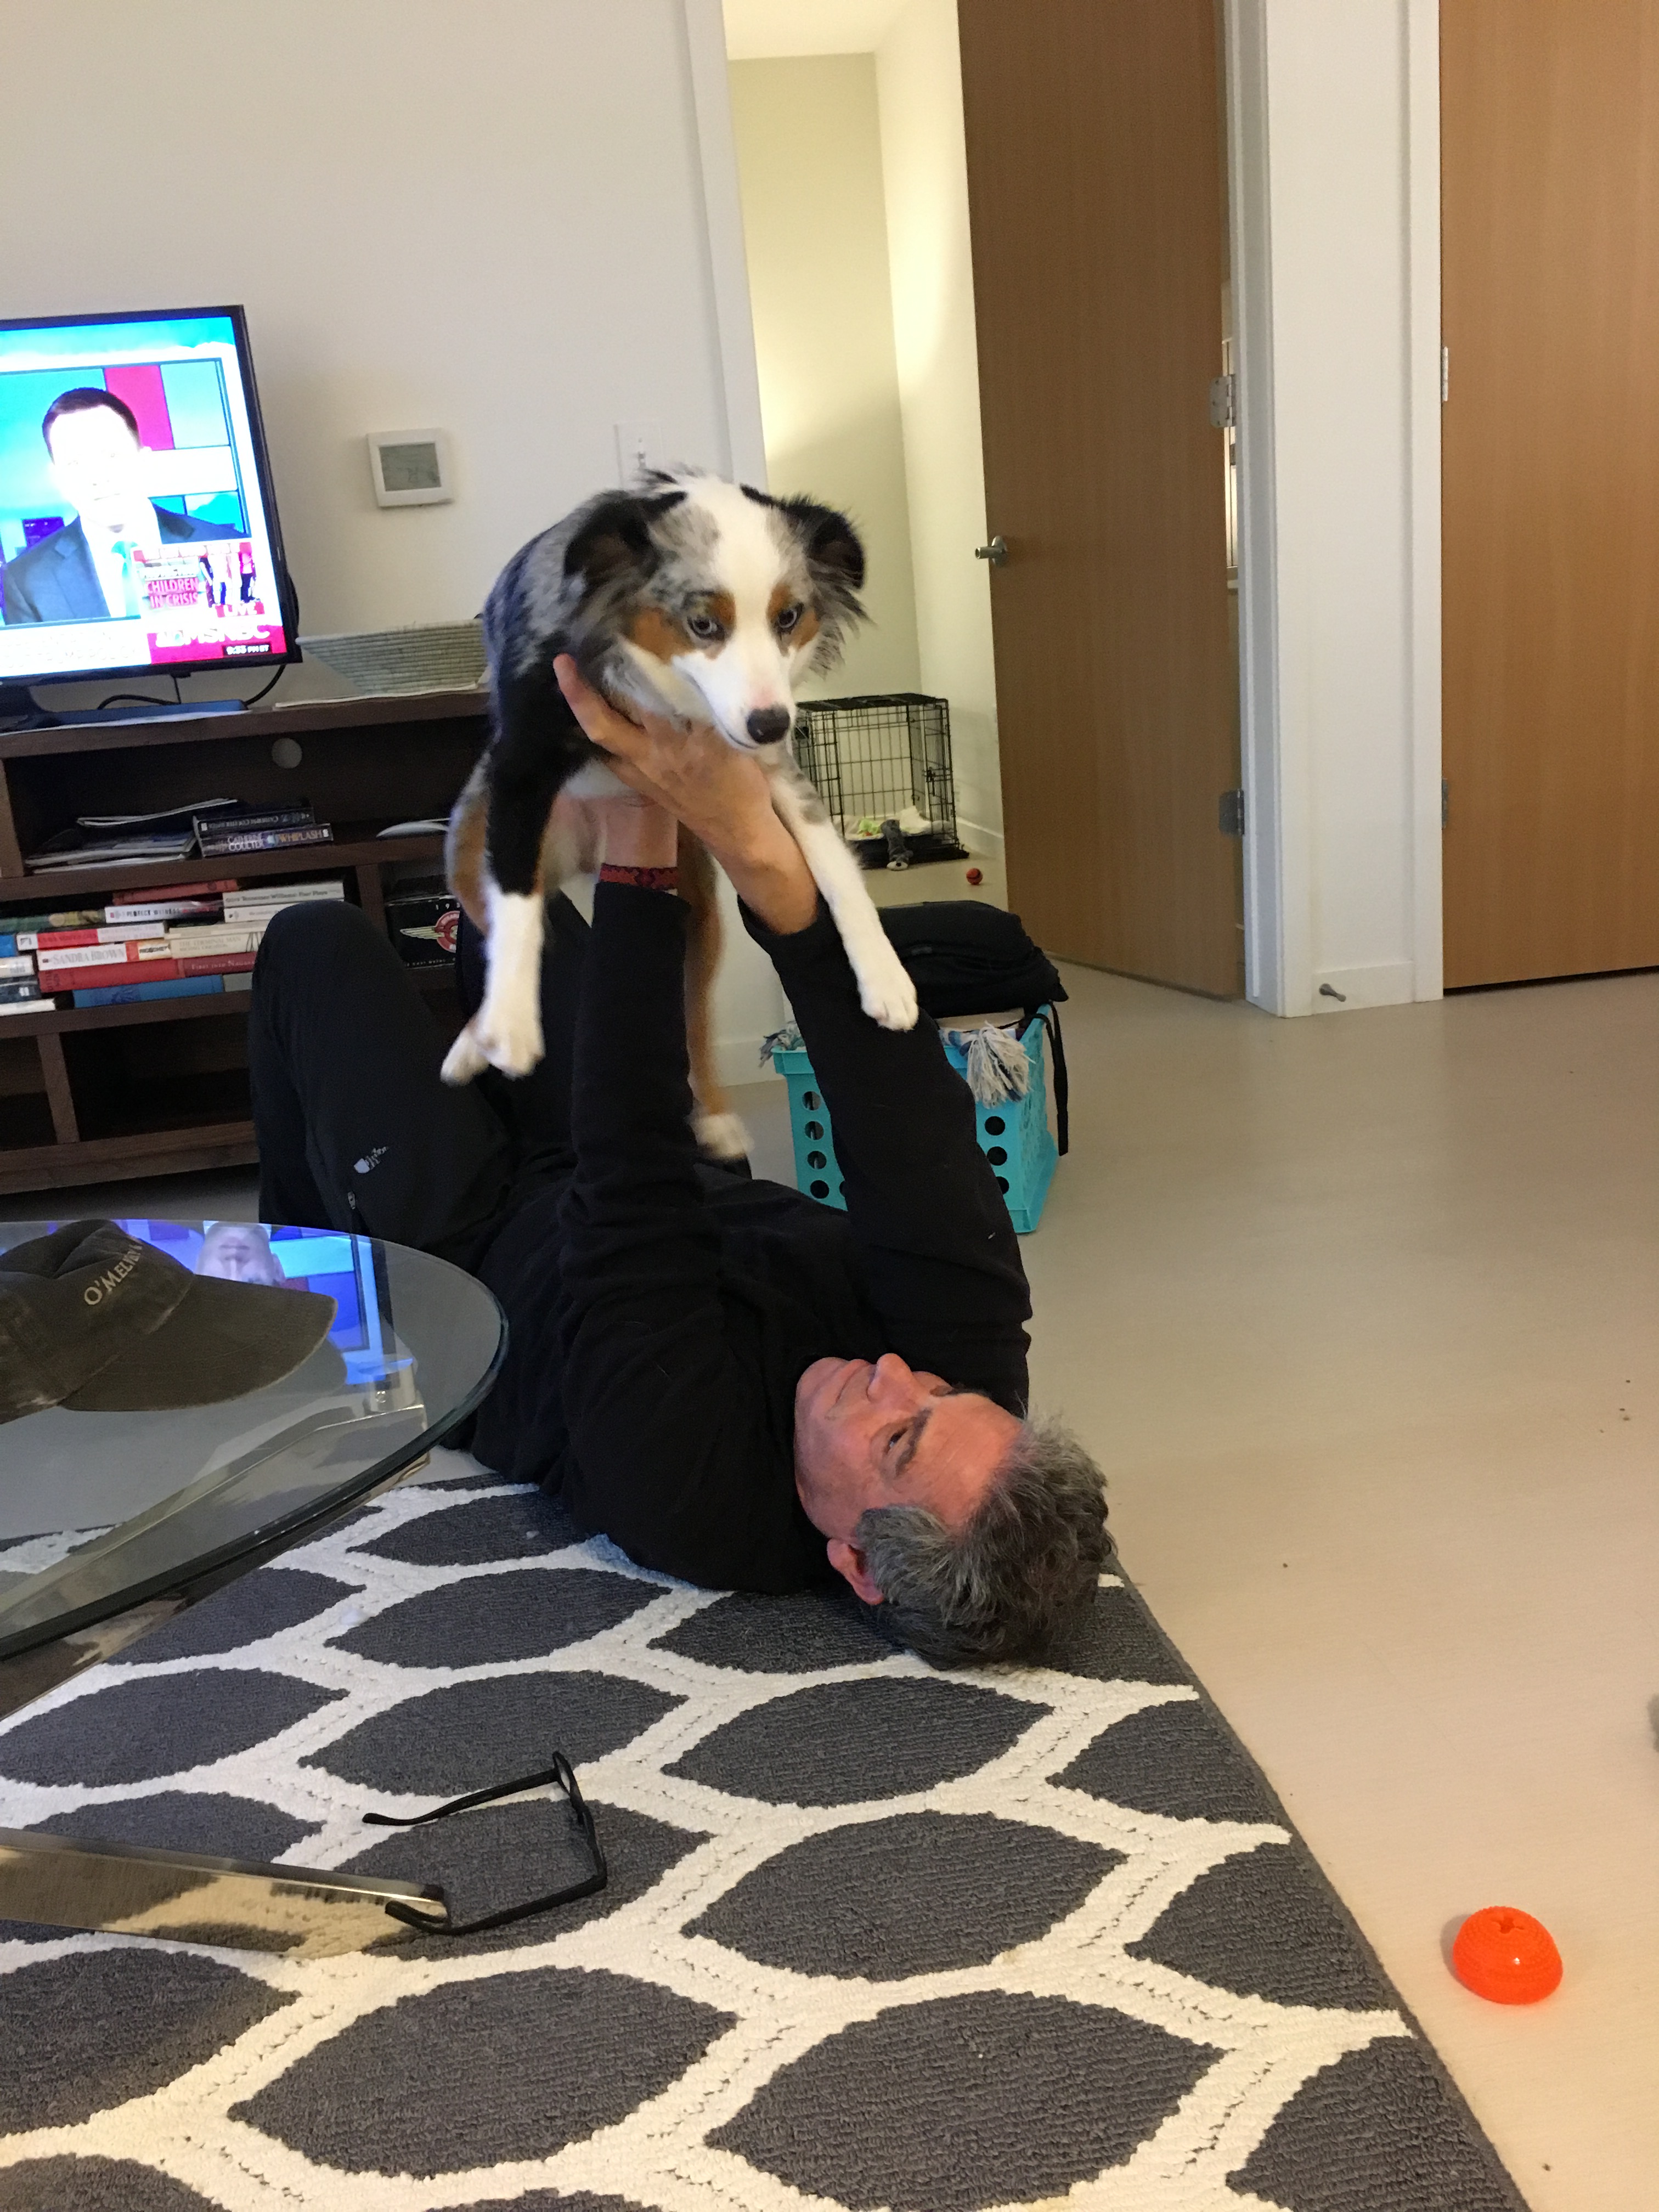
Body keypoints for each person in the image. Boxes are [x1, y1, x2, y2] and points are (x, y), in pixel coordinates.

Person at [248, 659, 1108, 1663]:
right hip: (663, 1183)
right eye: (937, 1394)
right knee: (516, 894)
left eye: (894, 1436)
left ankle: (309, 1291)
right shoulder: (970, 1407)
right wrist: (767, 870)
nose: (895, 1376)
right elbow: (910, 1130)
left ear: (856, 1563)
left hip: (477, 1252)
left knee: (316, 942)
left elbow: (631, 1180)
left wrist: (642, 829)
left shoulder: (694, 1497)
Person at [1, 387, 241, 625]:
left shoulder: (226, 547)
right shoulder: (26, 581)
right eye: (75, 463)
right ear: (57, 479)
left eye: (111, 456)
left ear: (144, 460)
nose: (97, 477)